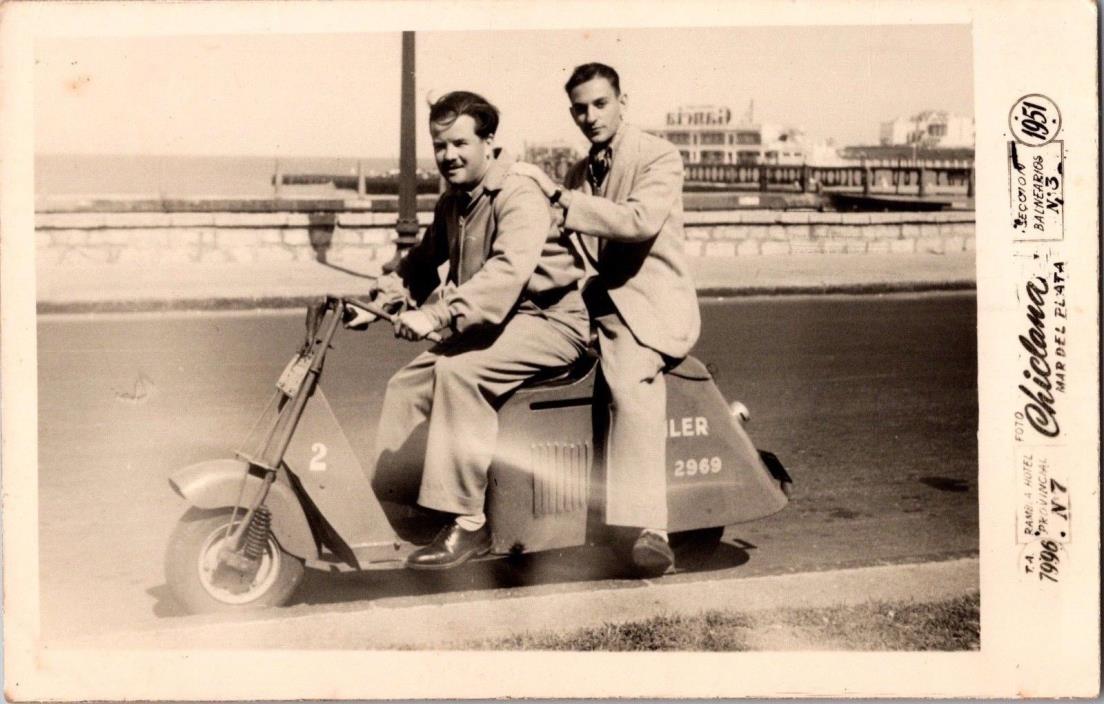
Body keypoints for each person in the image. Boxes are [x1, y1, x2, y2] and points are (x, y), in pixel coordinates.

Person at [359, 91, 589, 570]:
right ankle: (412, 508)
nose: (449, 156)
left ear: (489, 142)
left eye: (460, 143)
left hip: (549, 321)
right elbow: (421, 262)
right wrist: (379, 301)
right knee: (409, 384)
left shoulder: (517, 195)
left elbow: (506, 273)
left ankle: (468, 523)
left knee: (460, 375)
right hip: (499, 321)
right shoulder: (455, 201)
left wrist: (438, 315)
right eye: (440, 145)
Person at [511, 62, 701, 573]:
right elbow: (564, 253)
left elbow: (637, 222)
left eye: (599, 104)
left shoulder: (659, 156)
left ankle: (650, 528)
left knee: (630, 383)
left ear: (622, 101)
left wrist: (556, 196)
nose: (590, 116)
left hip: (646, 302)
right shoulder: (579, 173)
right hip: (594, 301)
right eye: (579, 107)